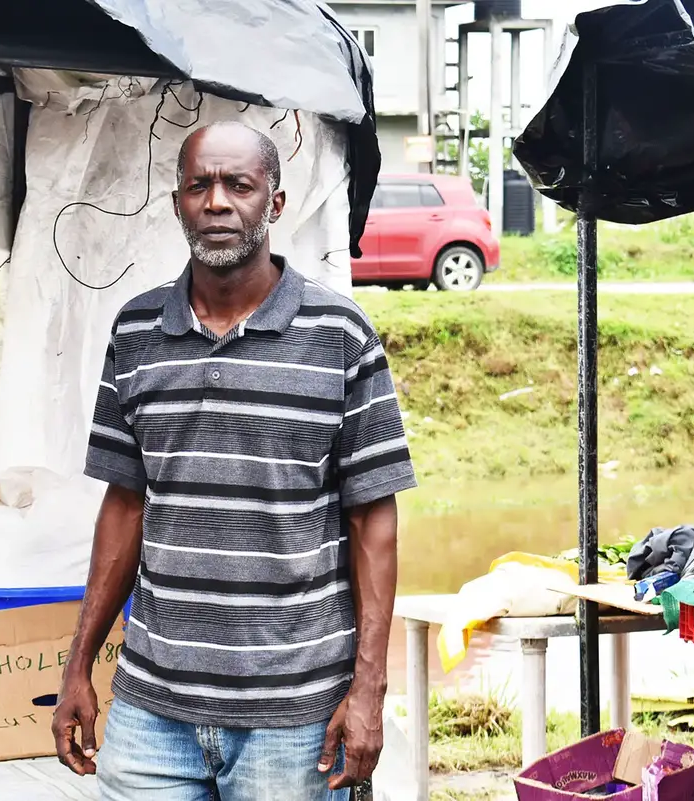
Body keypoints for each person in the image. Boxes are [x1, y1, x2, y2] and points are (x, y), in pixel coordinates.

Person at [52, 120, 416, 800]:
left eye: (238, 185)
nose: (216, 202)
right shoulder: (136, 332)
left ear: (274, 203)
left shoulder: (339, 335)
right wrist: (79, 664)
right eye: (199, 185)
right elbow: (125, 503)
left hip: (295, 717)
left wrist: (369, 688)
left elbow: (374, 519)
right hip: (152, 707)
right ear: (178, 203)